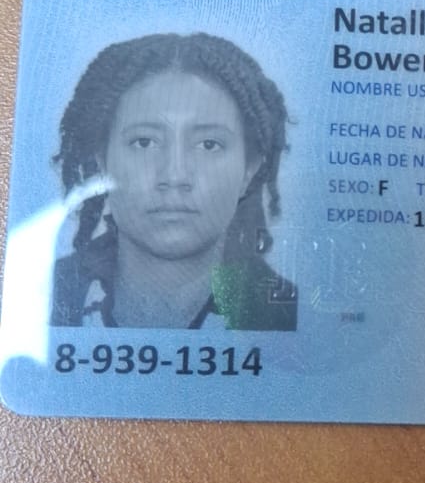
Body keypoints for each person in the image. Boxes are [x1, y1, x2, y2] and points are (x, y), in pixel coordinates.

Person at [50, 32, 297, 331]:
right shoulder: (32, 301)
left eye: (209, 144)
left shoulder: (293, 317)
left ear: (249, 170)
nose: (175, 175)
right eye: (144, 142)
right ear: (102, 161)